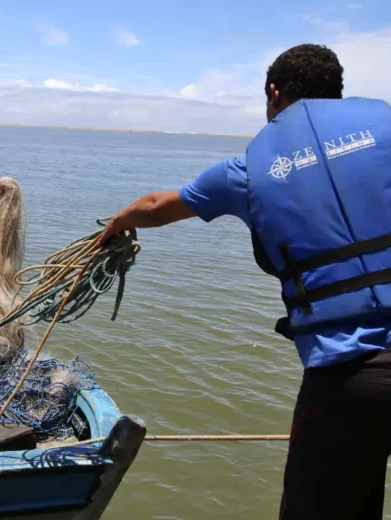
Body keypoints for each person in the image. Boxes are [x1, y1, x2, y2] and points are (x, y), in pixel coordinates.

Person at [100, 44, 391, 519]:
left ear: (274, 94)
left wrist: (116, 225)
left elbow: (157, 205)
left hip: (348, 381)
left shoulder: (248, 172)